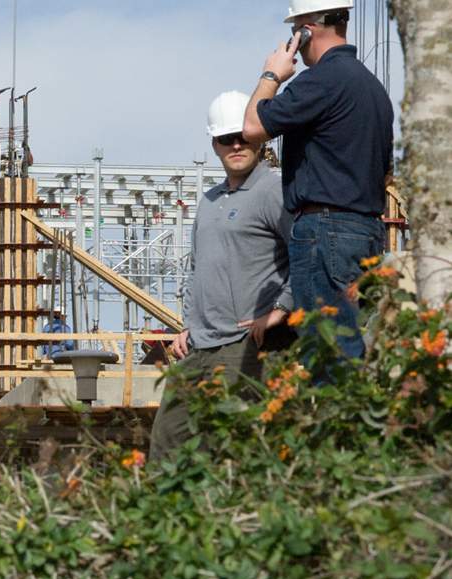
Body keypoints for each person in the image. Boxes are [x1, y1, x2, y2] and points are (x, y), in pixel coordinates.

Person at [243, 0, 393, 360]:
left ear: (307, 28)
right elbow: (386, 172)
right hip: (367, 230)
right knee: (352, 346)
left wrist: (272, 75)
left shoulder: (320, 80)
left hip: (324, 230)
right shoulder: (373, 90)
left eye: (296, 30)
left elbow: (252, 127)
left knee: (326, 353)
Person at [150, 91, 295, 459]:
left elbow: (305, 251)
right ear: (213, 144)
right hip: (199, 345)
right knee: (167, 442)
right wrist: (187, 325)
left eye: (243, 137)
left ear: (259, 139)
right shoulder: (210, 200)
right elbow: (198, 267)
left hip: (244, 345)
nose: (235, 145)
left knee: (233, 448)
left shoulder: (273, 191)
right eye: (225, 138)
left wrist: (283, 305)